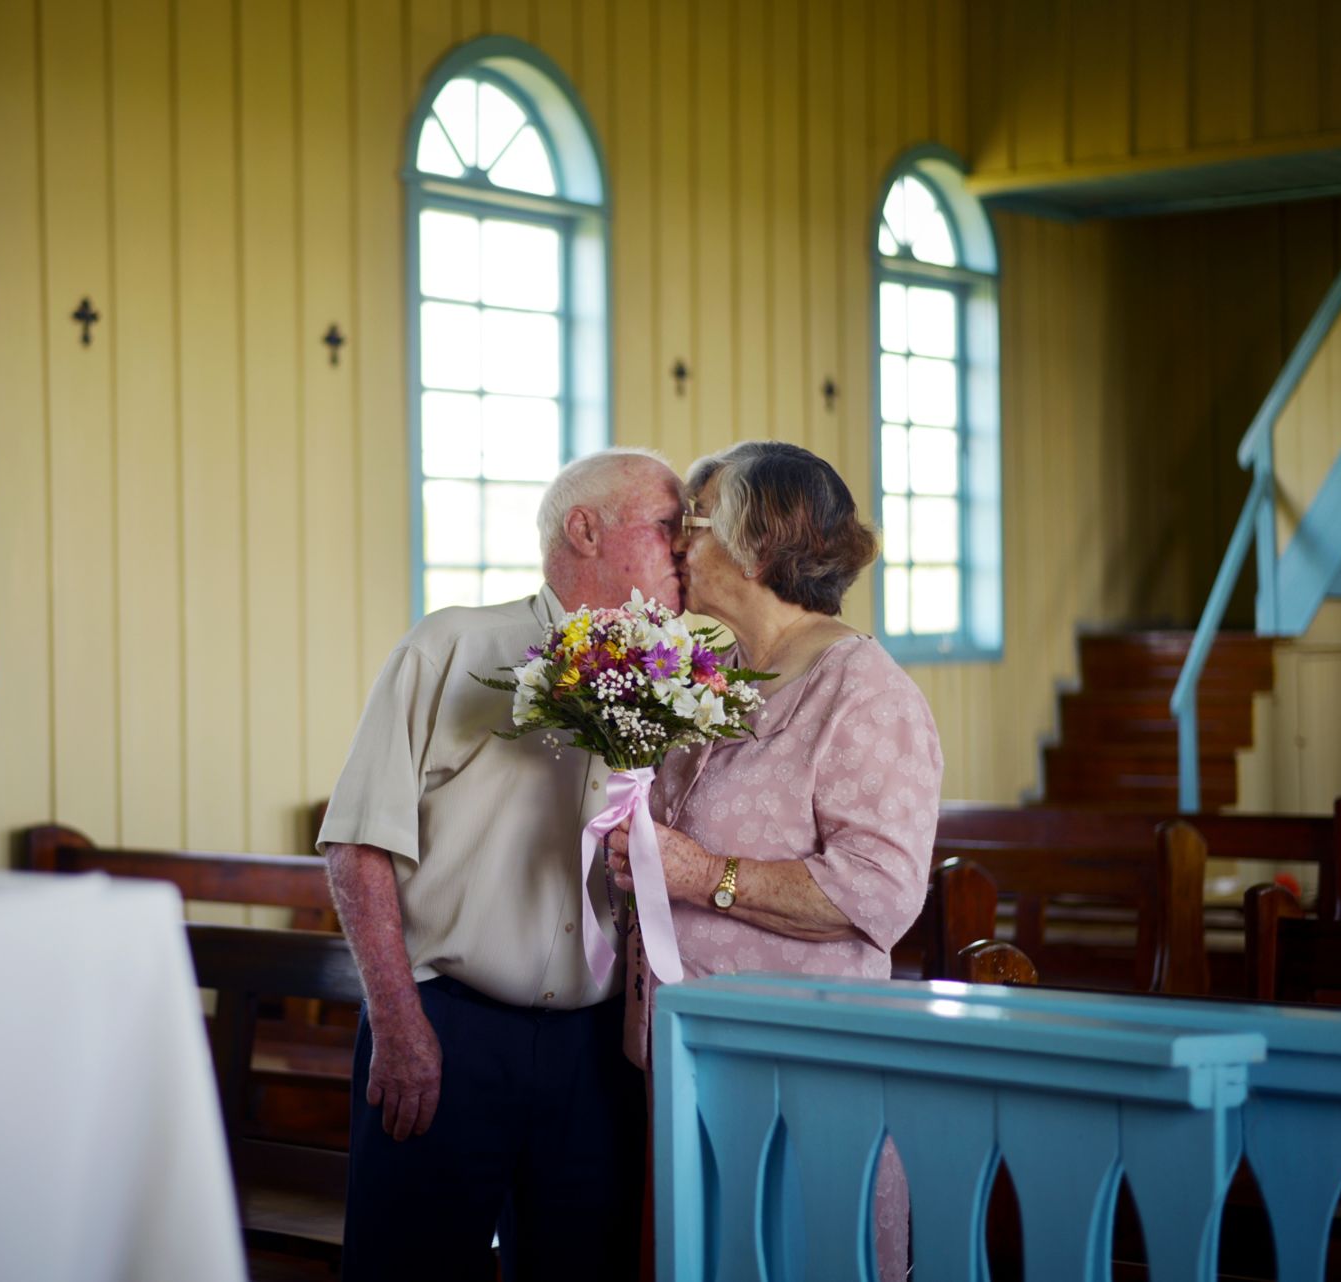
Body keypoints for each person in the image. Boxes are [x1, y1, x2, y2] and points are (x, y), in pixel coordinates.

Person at [318, 447, 684, 1282]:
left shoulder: (675, 681)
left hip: (593, 1053)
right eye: (667, 529)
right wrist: (401, 1026)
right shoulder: (453, 646)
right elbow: (357, 847)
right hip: (447, 1027)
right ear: (584, 529)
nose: (684, 553)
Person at [605, 440, 942, 1281]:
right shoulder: (719, 673)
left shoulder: (865, 693)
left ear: (761, 544)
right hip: (691, 1058)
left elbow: (881, 895)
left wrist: (703, 876)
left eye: (697, 525)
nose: (679, 545)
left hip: (805, 1069)